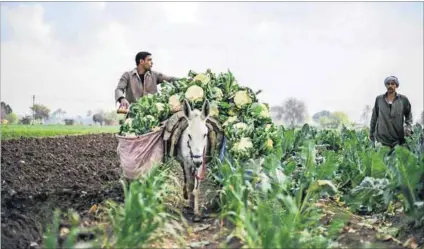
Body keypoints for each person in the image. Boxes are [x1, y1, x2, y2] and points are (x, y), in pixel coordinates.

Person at [115, 51, 180, 110]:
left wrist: (186, 80)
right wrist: (122, 99)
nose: (152, 63)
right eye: (149, 60)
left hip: (152, 114)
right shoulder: (127, 75)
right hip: (133, 114)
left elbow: (170, 79)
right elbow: (119, 89)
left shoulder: (155, 75)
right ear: (141, 61)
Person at [369, 76, 413, 148]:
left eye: (392, 84)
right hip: (381, 140)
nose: (390, 86)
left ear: (396, 85)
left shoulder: (403, 100)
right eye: (388, 84)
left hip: (398, 140)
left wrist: (408, 127)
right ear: (385, 85)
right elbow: (374, 117)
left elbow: (409, 116)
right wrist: (371, 134)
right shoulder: (379, 99)